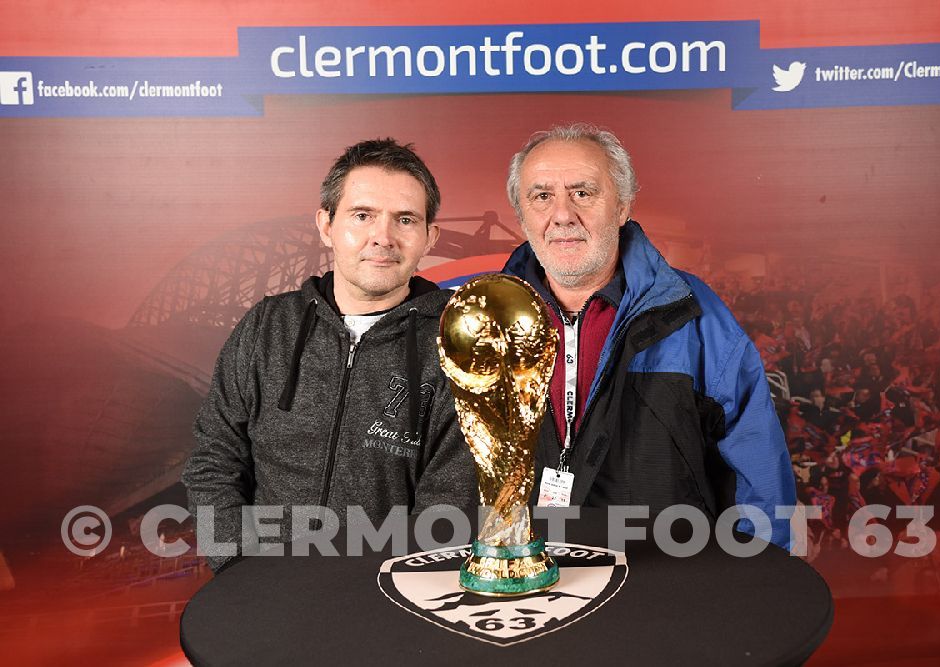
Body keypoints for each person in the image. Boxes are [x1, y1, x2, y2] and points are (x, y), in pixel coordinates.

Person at [183, 138, 478, 572]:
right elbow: (214, 457)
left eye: (406, 220)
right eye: (362, 215)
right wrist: (236, 568)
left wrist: (391, 595)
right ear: (326, 225)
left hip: (385, 606)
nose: (383, 237)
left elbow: (452, 497)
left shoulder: (458, 345)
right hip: (258, 591)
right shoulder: (268, 327)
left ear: (429, 237)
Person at [502, 124, 796, 549]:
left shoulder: (694, 314)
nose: (562, 214)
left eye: (583, 193)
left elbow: (759, 467)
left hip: (665, 581)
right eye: (542, 196)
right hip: (528, 584)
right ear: (521, 214)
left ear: (622, 207)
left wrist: (764, 577)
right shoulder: (482, 316)